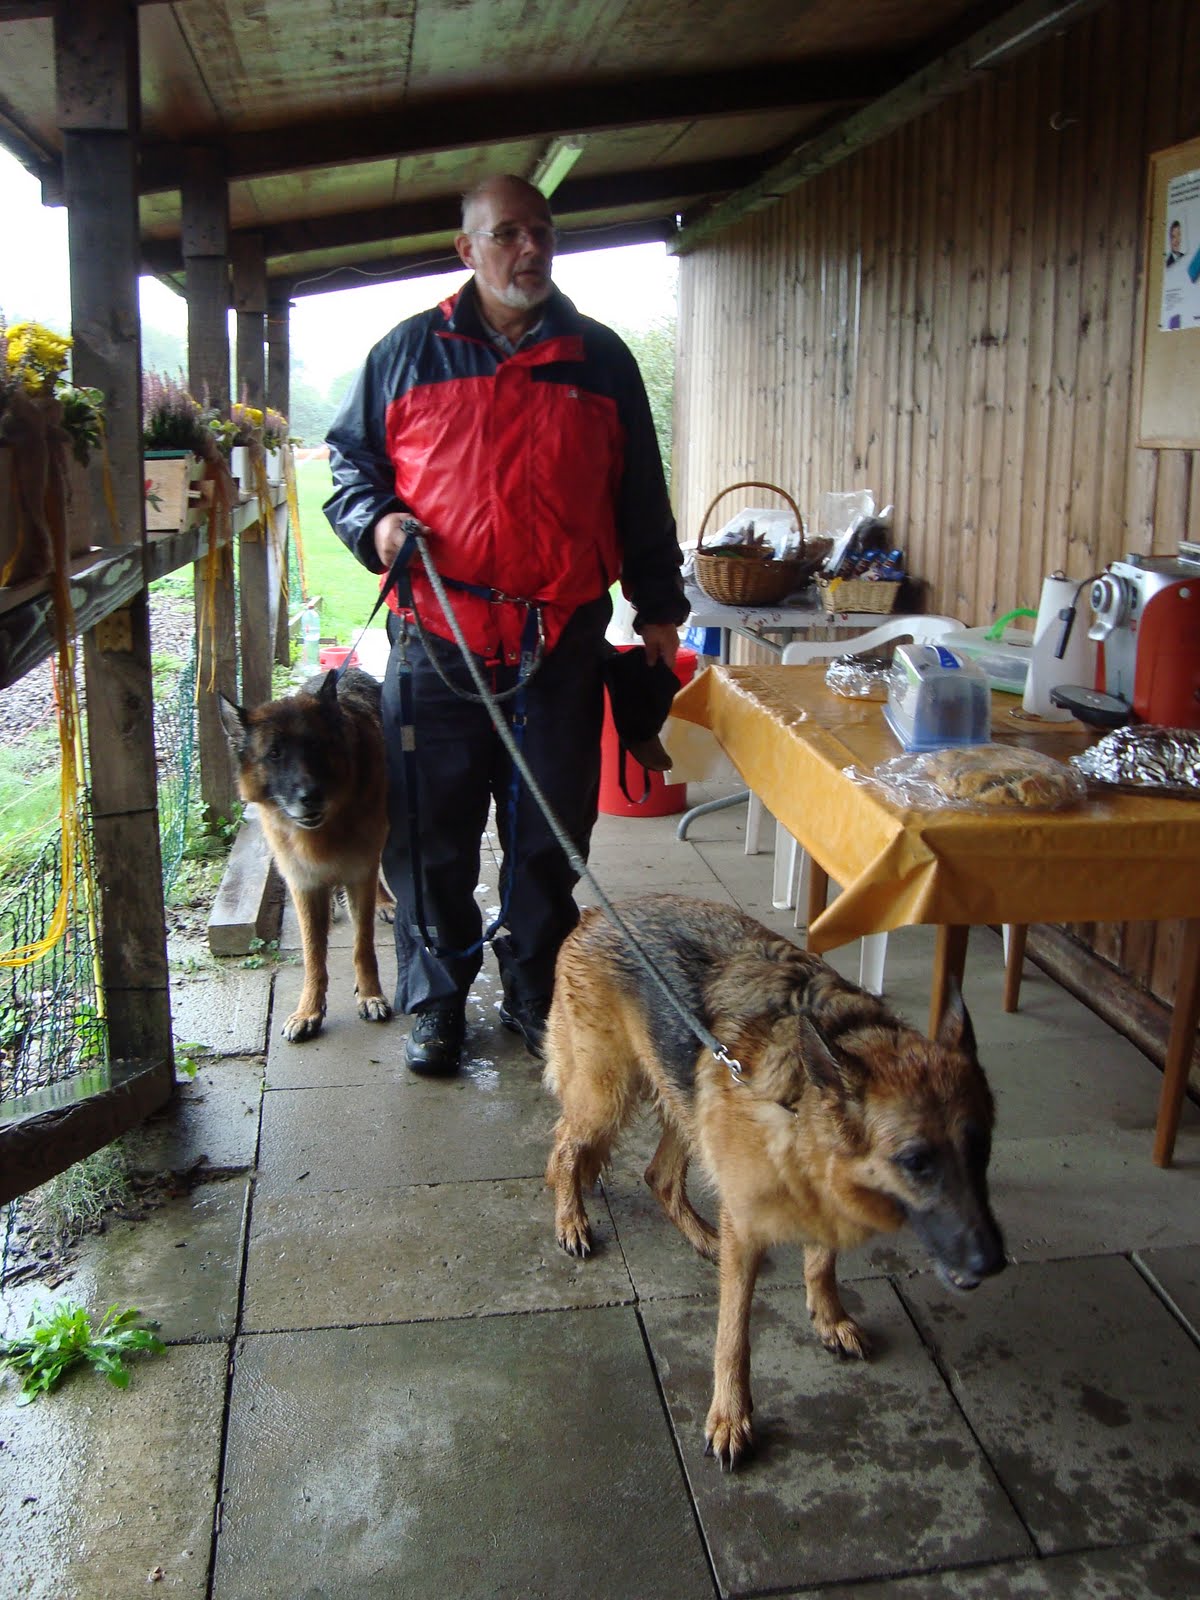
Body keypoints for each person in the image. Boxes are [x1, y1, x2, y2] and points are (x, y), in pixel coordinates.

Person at [324, 174, 688, 1076]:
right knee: (429, 837)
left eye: (542, 232)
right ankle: (438, 1000)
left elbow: (641, 491)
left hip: (559, 646)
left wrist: (659, 609)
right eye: (508, 233)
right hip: (436, 641)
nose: (530, 249)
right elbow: (350, 466)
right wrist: (377, 522)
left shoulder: (600, 359)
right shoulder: (405, 354)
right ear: (467, 249)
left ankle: (534, 990)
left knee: (548, 837)